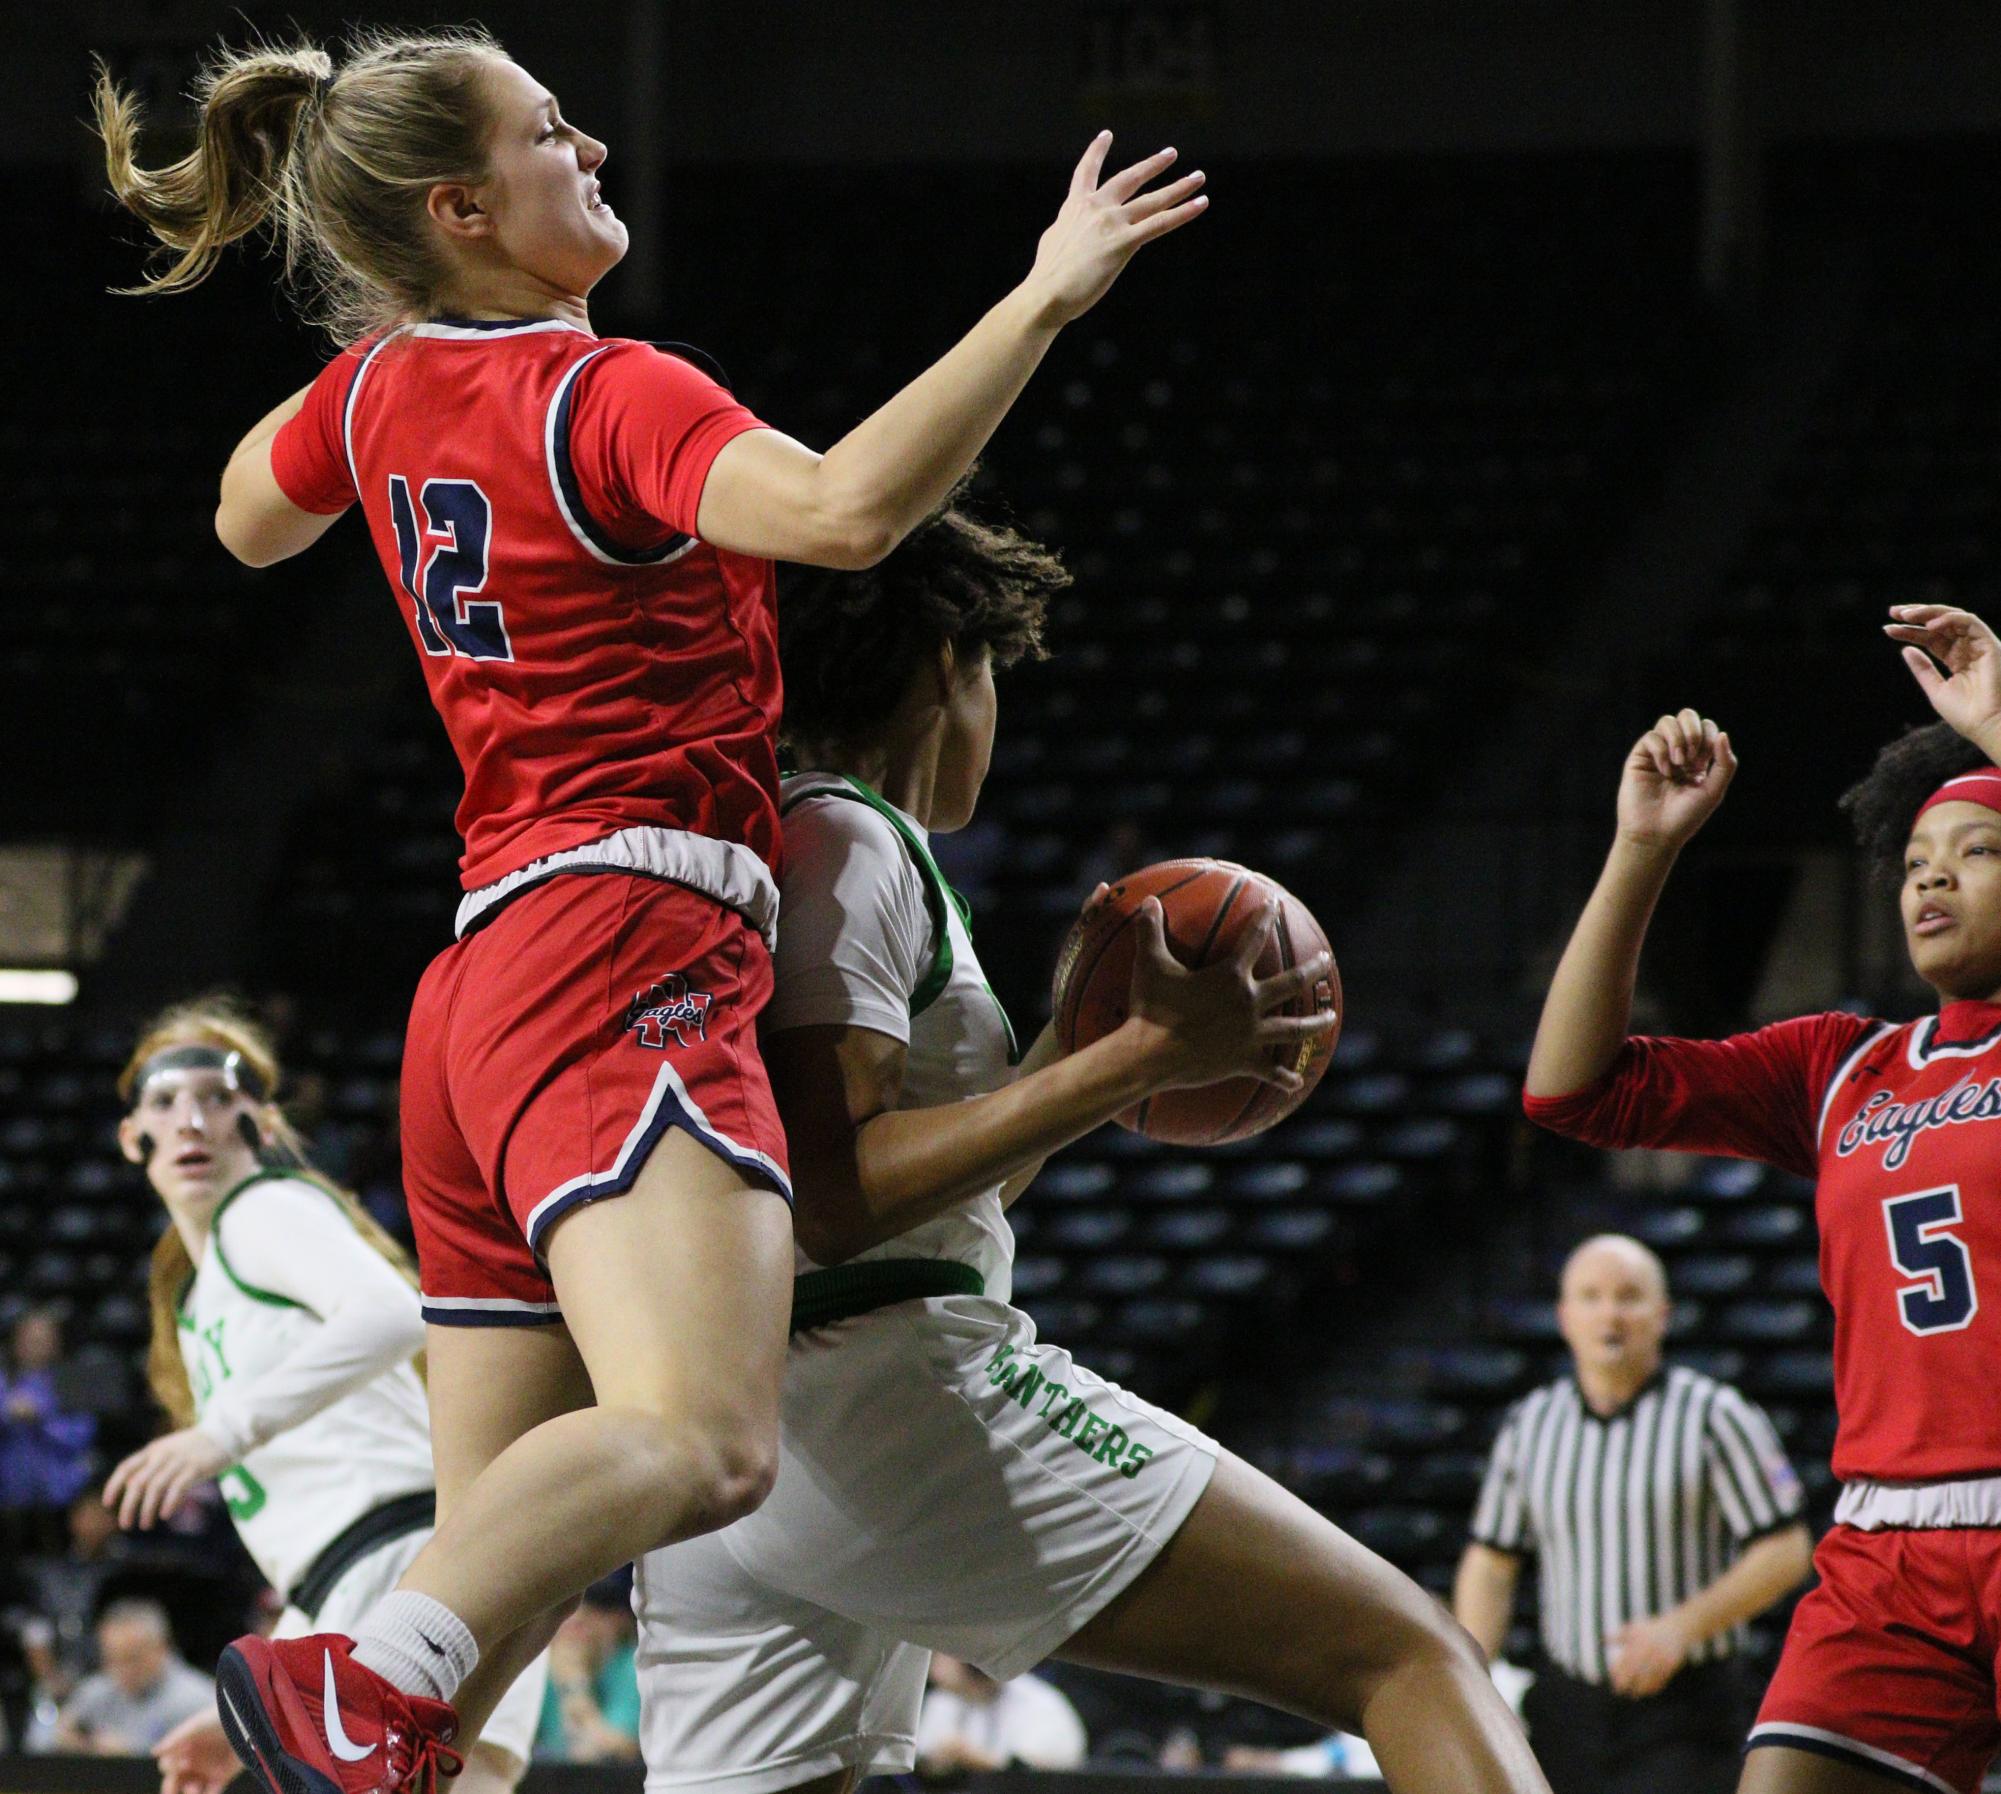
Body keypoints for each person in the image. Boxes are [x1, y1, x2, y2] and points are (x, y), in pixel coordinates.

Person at [93, 21, 1205, 1794]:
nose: (591, 141)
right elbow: (845, 511)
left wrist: (393, 346)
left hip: (477, 992)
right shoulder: (609, 391)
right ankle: (353, 1668)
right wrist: (1043, 299)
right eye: (549, 130)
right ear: (463, 205)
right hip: (633, 940)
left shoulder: (377, 391)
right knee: (702, 1437)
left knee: (488, 1649)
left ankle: (372, 1684)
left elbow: (243, 518)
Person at [631, 498, 1550, 1794]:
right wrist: (1132, 1062)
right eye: (994, 677)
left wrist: (1068, 1059)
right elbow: (831, 1198)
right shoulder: (850, 837)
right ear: (951, 662)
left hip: (737, 1434)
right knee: (1411, 1653)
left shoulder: (774, 831)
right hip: (880, 1399)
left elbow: (902, 1191)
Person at [1524, 602, 2001, 1794]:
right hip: (1891, 1549)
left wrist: (1996, 723)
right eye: (1917, 863)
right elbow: (1574, 1090)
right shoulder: (1844, 1066)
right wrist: (1643, 849)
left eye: (1979, 851)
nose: (1930, 875)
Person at [99, 998, 545, 1794]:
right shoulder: (203, 1298)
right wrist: (249, 1723)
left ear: (263, 1128)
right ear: (134, 1139)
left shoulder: (261, 1211)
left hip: (408, 1557)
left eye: (218, 1100)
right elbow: (330, 1534)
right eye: (166, 1103)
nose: (192, 1122)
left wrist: (220, 1433)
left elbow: (389, 1309)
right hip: (376, 1573)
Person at [1451, 1234, 1813, 1794]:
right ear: (1565, 1317)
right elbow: (1491, 1562)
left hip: (1689, 1709)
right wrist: (1469, 1678)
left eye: (1629, 1296)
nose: (1610, 1313)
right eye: (1591, 1297)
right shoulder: (1530, 1424)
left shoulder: (1716, 1415)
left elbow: (1786, 1550)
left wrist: (1682, 1627)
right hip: (1567, 1706)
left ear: (1662, 1315)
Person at [51, 1600, 213, 1756]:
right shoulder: (96, 1691)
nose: (122, 1670)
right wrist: (68, 1740)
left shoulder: (201, 1702)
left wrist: (132, 1757)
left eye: (132, 1658)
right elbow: (41, 1743)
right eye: (112, 1659)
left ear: (161, 1648)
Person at [0, 1310, 98, 1551]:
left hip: (60, 1502)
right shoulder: (3, 1382)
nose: (36, 1346)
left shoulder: (70, 1382)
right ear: (16, 1343)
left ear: (56, 1344)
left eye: (43, 1340)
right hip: (9, 1500)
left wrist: (42, 1420)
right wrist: (6, 1414)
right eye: (30, 1340)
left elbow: (82, 1435)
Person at [915, 1656, 1087, 1775]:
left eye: (943, 1653)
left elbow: (1030, 1774)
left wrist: (969, 1756)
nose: (934, 1661)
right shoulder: (942, 1700)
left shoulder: (1040, 1702)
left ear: (971, 1663)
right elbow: (921, 1762)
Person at [532, 1582, 639, 1764]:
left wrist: (574, 1684)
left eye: (596, 1610)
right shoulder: (538, 1669)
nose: (577, 1621)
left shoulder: (631, 1665)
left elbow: (613, 1750)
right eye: (565, 1611)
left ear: (622, 1621)